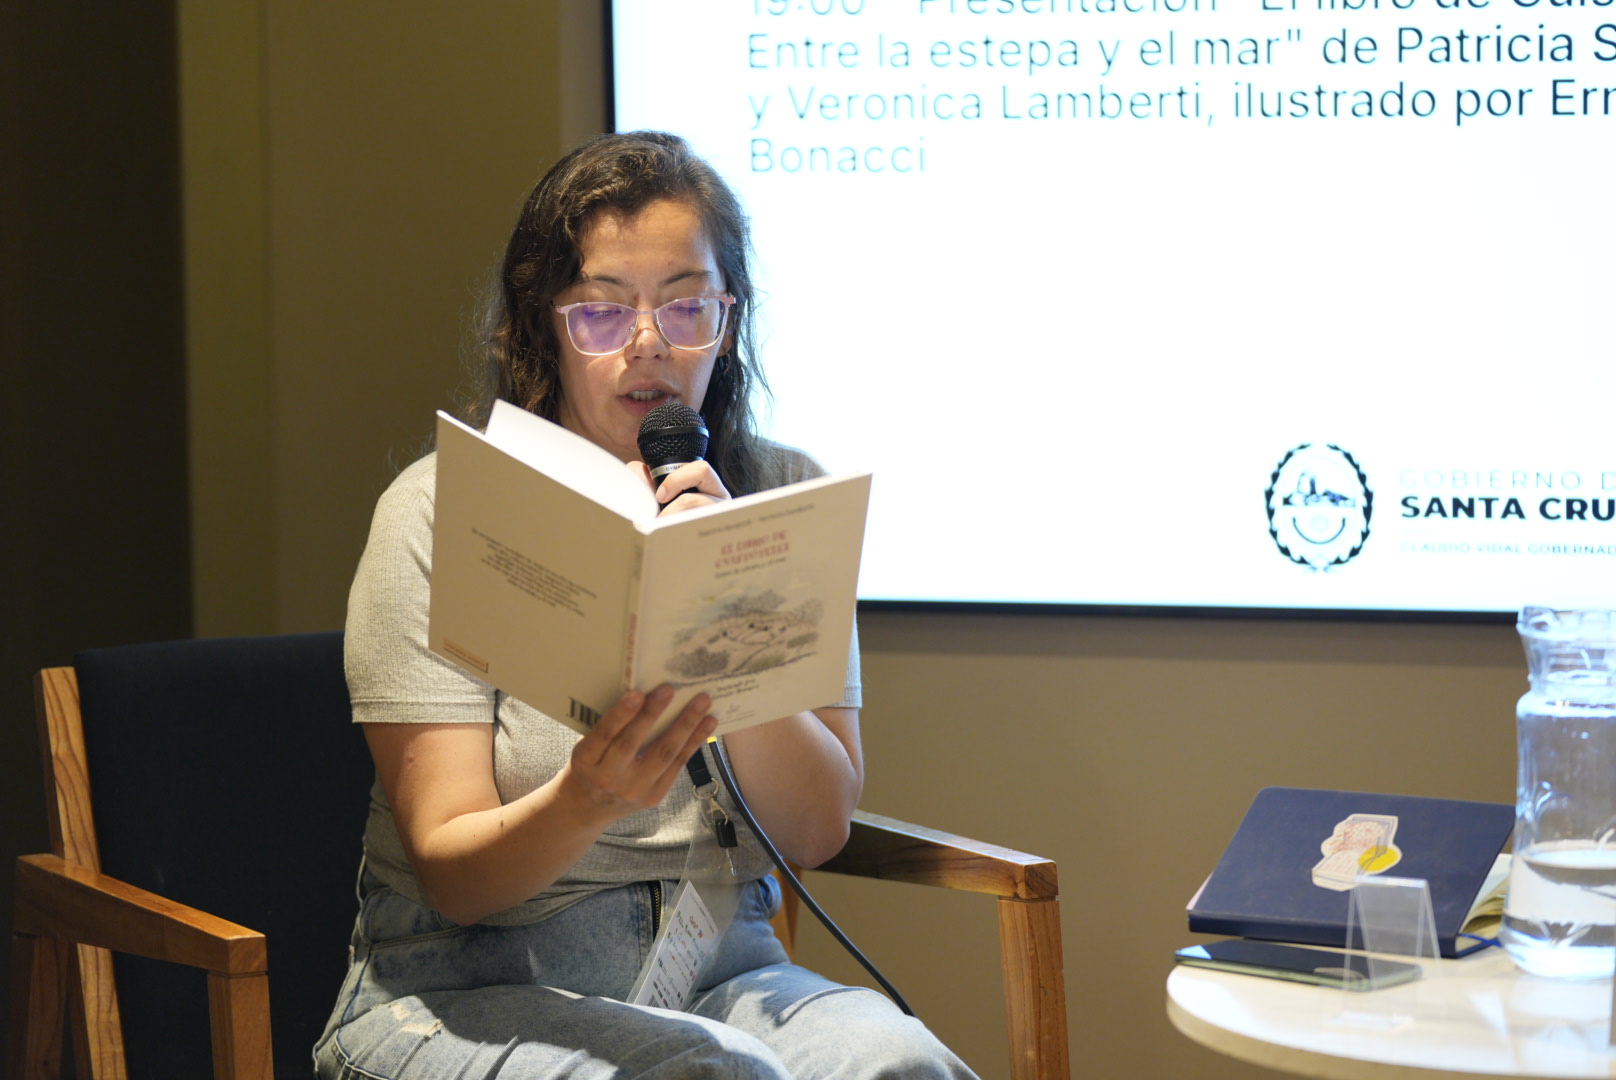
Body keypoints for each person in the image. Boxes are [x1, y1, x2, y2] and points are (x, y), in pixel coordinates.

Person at [314, 131, 978, 1080]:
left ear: (728, 319)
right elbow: (453, 877)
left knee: (899, 1065)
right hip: (464, 986)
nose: (649, 343)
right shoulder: (438, 511)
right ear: (543, 324)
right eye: (601, 311)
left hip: (727, 973)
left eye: (685, 305)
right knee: (708, 1076)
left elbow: (816, 829)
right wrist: (584, 799)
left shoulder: (780, 498)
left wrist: (727, 604)